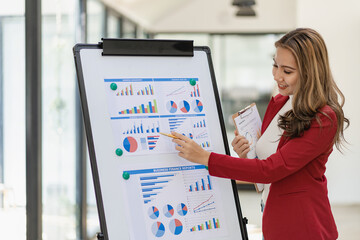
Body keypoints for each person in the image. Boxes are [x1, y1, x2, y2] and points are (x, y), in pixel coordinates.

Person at [171, 28, 349, 240]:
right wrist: (246, 154)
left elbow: (271, 170)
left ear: (311, 72)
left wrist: (204, 158)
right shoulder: (280, 103)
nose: (277, 76)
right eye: (275, 65)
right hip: (275, 220)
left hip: (304, 226)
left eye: (287, 71)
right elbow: (264, 181)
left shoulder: (324, 118)